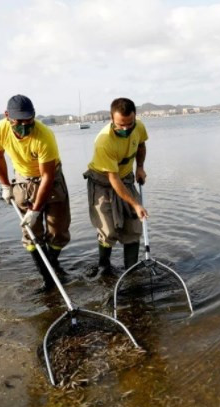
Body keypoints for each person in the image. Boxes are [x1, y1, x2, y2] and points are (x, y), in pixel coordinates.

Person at [0, 94, 71, 292]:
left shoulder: (44, 136)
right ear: (7, 116)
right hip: (23, 179)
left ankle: (52, 264)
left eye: (29, 120)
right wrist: (6, 185)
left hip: (50, 177)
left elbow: (47, 177)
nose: (25, 126)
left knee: (58, 229)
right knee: (31, 233)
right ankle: (47, 278)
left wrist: (35, 210)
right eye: (19, 121)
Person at [83, 97, 149, 274]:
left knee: (133, 227)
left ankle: (131, 271)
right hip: (102, 181)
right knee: (108, 230)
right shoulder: (104, 142)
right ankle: (104, 267)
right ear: (112, 119)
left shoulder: (139, 126)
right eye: (121, 125)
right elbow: (113, 180)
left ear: (135, 117)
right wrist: (136, 204)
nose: (126, 129)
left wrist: (140, 167)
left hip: (125, 177)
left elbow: (141, 145)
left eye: (130, 124)